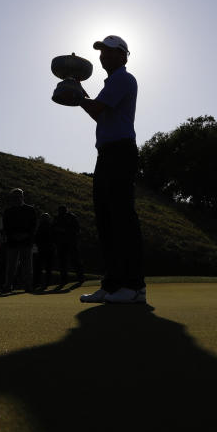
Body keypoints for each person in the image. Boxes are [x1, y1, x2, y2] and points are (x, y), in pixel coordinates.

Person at [74, 35, 145, 304]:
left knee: (122, 219)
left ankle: (133, 286)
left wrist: (76, 90)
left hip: (120, 151)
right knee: (106, 220)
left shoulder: (123, 79)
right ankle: (112, 284)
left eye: (110, 52)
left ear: (124, 56)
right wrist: (80, 93)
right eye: (102, 51)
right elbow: (97, 112)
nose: (103, 55)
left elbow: (95, 106)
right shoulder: (111, 82)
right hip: (107, 153)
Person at [1, 188, 37, 293]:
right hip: (13, 242)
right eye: (15, 196)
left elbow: (33, 225)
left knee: (27, 266)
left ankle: (28, 285)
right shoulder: (8, 211)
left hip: (26, 242)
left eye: (19, 196)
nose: (17, 198)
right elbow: (5, 226)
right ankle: (8, 285)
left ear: (22, 197)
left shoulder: (30, 210)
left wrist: (25, 235)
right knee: (11, 266)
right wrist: (13, 236)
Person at [52, 205, 84, 285]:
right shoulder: (58, 218)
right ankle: (70, 279)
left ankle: (79, 278)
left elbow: (76, 229)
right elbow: (53, 230)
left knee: (73, 261)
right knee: (65, 262)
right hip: (63, 243)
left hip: (70, 242)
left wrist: (64, 231)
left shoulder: (69, 217)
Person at [34, 212, 57, 288]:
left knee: (40, 267)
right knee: (47, 268)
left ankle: (38, 283)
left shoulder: (39, 227)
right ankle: (45, 283)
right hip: (47, 249)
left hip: (42, 249)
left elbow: (36, 238)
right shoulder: (51, 226)